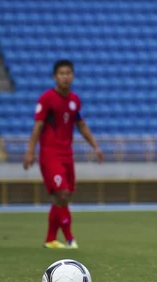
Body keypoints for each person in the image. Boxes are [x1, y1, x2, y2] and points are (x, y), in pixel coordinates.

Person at [23, 60, 103, 249]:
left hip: (67, 154)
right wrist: (30, 151)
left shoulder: (74, 100)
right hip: (50, 154)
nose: (65, 76)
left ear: (73, 76)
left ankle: (51, 239)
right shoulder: (47, 99)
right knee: (63, 193)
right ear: (55, 77)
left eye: (68, 73)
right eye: (61, 73)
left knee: (64, 197)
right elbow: (38, 126)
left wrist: (95, 146)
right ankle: (69, 238)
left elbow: (81, 125)